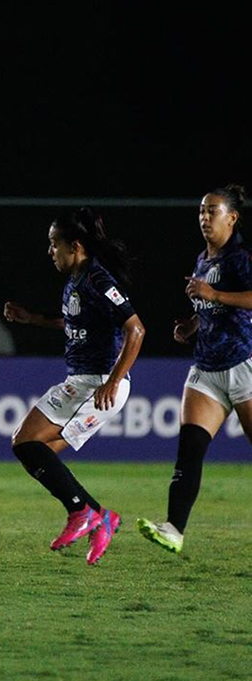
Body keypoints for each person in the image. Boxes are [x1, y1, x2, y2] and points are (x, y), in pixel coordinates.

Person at [3, 207, 145, 565]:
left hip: (98, 385)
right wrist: (32, 319)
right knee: (30, 446)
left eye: (54, 244)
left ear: (75, 245)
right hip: (78, 382)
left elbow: (136, 329)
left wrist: (113, 381)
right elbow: (75, 323)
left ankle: (84, 513)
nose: (50, 252)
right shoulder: (75, 281)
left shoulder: (99, 280)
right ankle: (99, 516)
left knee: (29, 444)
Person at [138, 184, 252, 554]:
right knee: (189, 450)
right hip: (206, 370)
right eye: (202, 210)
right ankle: (173, 529)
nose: (205, 217)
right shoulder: (203, 260)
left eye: (213, 211)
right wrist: (192, 324)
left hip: (243, 366)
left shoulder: (241, 258)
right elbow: (212, 308)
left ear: (232, 217)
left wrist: (214, 295)